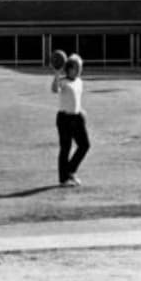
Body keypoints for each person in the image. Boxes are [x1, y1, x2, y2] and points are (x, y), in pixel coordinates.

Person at [51, 53, 91, 187]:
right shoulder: (63, 81)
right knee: (65, 148)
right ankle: (64, 179)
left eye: (81, 67)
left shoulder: (80, 81)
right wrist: (57, 73)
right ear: (69, 68)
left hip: (78, 117)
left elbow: (76, 99)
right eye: (77, 67)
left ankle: (71, 171)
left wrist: (81, 110)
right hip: (64, 118)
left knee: (84, 145)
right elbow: (54, 89)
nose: (80, 70)